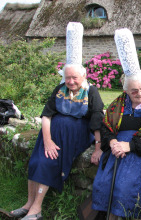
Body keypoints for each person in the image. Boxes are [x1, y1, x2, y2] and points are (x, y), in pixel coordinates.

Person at [9, 23, 104, 220]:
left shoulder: (91, 91)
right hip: (52, 135)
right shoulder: (60, 89)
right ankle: (28, 204)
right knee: (36, 160)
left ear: (83, 76)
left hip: (74, 135)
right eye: (67, 77)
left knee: (49, 162)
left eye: (74, 78)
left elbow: (96, 119)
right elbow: (46, 115)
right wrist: (48, 140)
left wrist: (98, 147)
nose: (70, 81)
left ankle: (36, 210)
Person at [91, 28, 141, 220]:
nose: (140, 93)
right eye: (134, 91)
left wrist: (130, 145)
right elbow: (106, 126)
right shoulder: (118, 103)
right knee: (104, 183)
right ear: (126, 91)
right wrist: (113, 143)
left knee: (126, 187)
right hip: (117, 148)